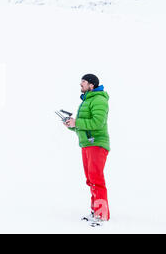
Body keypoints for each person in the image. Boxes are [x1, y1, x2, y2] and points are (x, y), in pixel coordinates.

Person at [64, 74, 110, 223]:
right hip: (87, 144)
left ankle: (101, 214)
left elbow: (97, 123)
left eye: (83, 82)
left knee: (96, 179)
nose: (80, 85)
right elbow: (84, 125)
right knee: (91, 180)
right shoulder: (87, 100)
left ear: (91, 85)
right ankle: (95, 211)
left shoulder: (99, 100)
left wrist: (77, 122)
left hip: (97, 144)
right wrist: (72, 125)